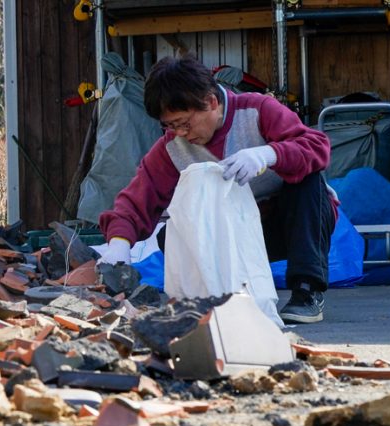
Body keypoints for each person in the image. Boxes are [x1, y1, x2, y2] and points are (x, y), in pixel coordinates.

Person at [96, 55, 336, 323]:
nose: (181, 134)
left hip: (290, 226)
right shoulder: (171, 148)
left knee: (307, 181)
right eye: (171, 126)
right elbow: (137, 198)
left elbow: (317, 147)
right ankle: (211, 300)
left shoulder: (258, 109)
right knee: (170, 234)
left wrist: (268, 154)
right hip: (231, 237)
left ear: (211, 102)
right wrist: (119, 243)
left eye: (185, 123)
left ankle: (307, 291)